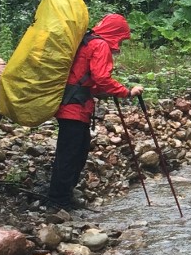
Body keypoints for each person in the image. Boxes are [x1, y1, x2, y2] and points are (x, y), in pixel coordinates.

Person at [45, 13, 143, 211]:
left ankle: (64, 197)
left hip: (73, 105)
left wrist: (105, 90)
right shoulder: (100, 45)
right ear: (115, 33)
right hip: (74, 107)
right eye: (121, 38)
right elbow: (101, 78)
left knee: (77, 153)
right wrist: (126, 92)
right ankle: (57, 200)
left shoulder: (88, 41)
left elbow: (89, 78)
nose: (120, 43)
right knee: (70, 154)